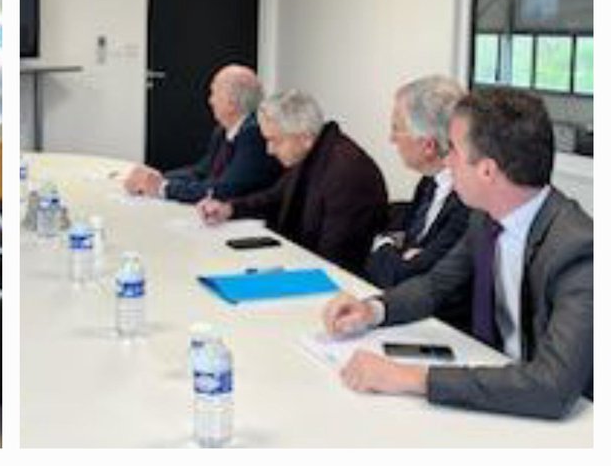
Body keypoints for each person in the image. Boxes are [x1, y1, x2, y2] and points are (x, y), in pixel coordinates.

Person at [324, 88, 593, 420]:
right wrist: (373, 309)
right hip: (496, 387)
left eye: (453, 150)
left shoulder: (579, 250)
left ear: (487, 171)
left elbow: (553, 386)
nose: (446, 161)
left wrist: (409, 377)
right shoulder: (486, 217)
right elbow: (437, 285)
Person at [199, 90, 388, 275]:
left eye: (274, 141)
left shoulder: (347, 172)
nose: (269, 150)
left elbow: (336, 260)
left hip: (336, 285)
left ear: (304, 137)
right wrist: (229, 209)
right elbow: (273, 198)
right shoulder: (313, 154)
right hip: (305, 267)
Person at [365, 77, 470, 329]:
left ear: (428, 146)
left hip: (448, 328)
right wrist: (399, 253)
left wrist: (383, 245)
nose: (391, 138)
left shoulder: (469, 202)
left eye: (397, 128)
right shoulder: (429, 182)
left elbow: (402, 277)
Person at [123, 64, 282, 203]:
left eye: (214, 93)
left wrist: (164, 188)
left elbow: (222, 191)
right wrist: (158, 178)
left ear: (232, 102)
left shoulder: (255, 136)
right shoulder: (223, 130)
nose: (210, 100)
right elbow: (201, 171)